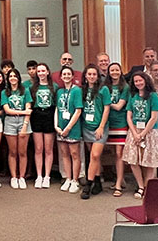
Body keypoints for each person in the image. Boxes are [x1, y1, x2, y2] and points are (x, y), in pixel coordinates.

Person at [123, 71, 158, 199]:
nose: (138, 83)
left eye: (140, 80)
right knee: (133, 160)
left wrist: (142, 134)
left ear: (146, 81)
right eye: (136, 81)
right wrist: (135, 133)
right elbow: (129, 116)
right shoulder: (133, 96)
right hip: (134, 131)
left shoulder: (153, 96)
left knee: (149, 161)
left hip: (149, 131)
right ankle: (140, 186)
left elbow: (153, 117)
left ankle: (148, 187)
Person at [80, 64, 111, 200]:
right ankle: (97, 182)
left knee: (94, 155)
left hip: (100, 127)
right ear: (85, 76)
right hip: (86, 126)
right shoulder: (82, 90)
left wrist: (101, 126)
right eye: (89, 74)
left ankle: (88, 184)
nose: (92, 76)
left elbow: (106, 108)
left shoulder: (103, 90)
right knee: (94, 157)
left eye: (94, 74)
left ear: (98, 76)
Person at [2, 69, 32, 189]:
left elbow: (29, 109)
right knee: (13, 152)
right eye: (11, 76)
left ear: (19, 78)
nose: (13, 78)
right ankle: (14, 177)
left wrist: (25, 125)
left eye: (15, 76)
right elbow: (7, 110)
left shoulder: (25, 91)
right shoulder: (5, 92)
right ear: (8, 79)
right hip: (10, 121)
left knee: (22, 152)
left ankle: (22, 177)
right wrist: (23, 111)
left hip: (24, 122)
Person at [54, 66, 83, 194]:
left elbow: (78, 110)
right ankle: (68, 177)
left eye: (68, 74)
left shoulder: (77, 91)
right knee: (64, 154)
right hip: (60, 127)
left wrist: (68, 128)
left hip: (72, 127)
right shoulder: (59, 91)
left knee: (74, 154)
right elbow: (57, 109)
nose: (66, 76)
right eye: (64, 74)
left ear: (72, 76)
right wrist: (56, 125)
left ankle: (75, 180)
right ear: (61, 77)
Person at [104, 62, 130, 197]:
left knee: (120, 153)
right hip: (108, 122)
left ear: (121, 71)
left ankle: (119, 183)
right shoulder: (105, 86)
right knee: (114, 152)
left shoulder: (125, 87)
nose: (114, 72)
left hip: (120, 123)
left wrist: (106, 103)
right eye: (112, 70)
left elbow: (120, 106)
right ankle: (120, 178)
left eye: (117, 70)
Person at [30, 63, 57, 189]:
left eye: (43, 71)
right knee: (38, 148)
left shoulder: (54, 87)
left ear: (47, 72)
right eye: (39, 71)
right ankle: (39, 176)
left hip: (49, 115)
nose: (41, 73)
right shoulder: (32, 87)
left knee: (48, 149)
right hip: (36, 116)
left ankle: (47, 176)